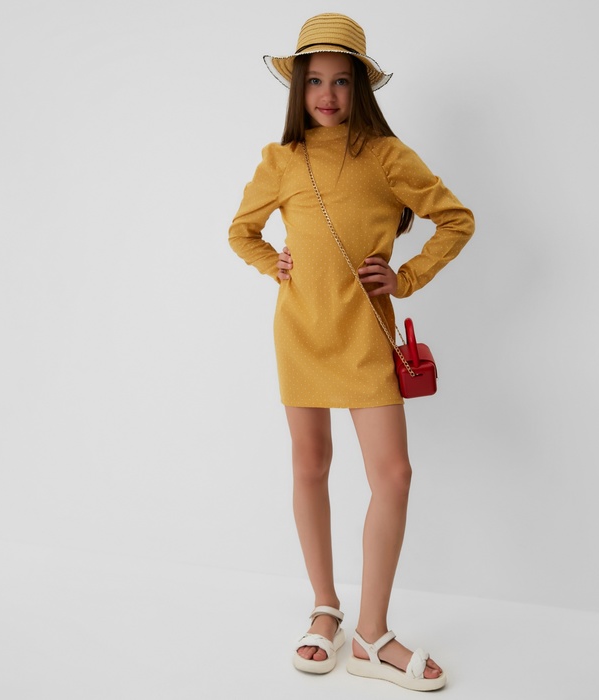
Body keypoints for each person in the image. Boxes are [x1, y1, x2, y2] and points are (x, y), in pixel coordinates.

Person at [229, 13, 474, 692]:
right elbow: (241, 231)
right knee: (310, 465)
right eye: (315, 81)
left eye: (341, 81)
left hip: (365, 335)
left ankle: (372, 632)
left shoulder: (387, 155)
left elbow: (456, 220)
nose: (328, 94)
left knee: (392, 474)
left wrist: (406, 277)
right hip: (300, 333)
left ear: (360, 87)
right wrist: (273, 264)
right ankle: (325, 608)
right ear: (298, 88)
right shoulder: (281, 159)